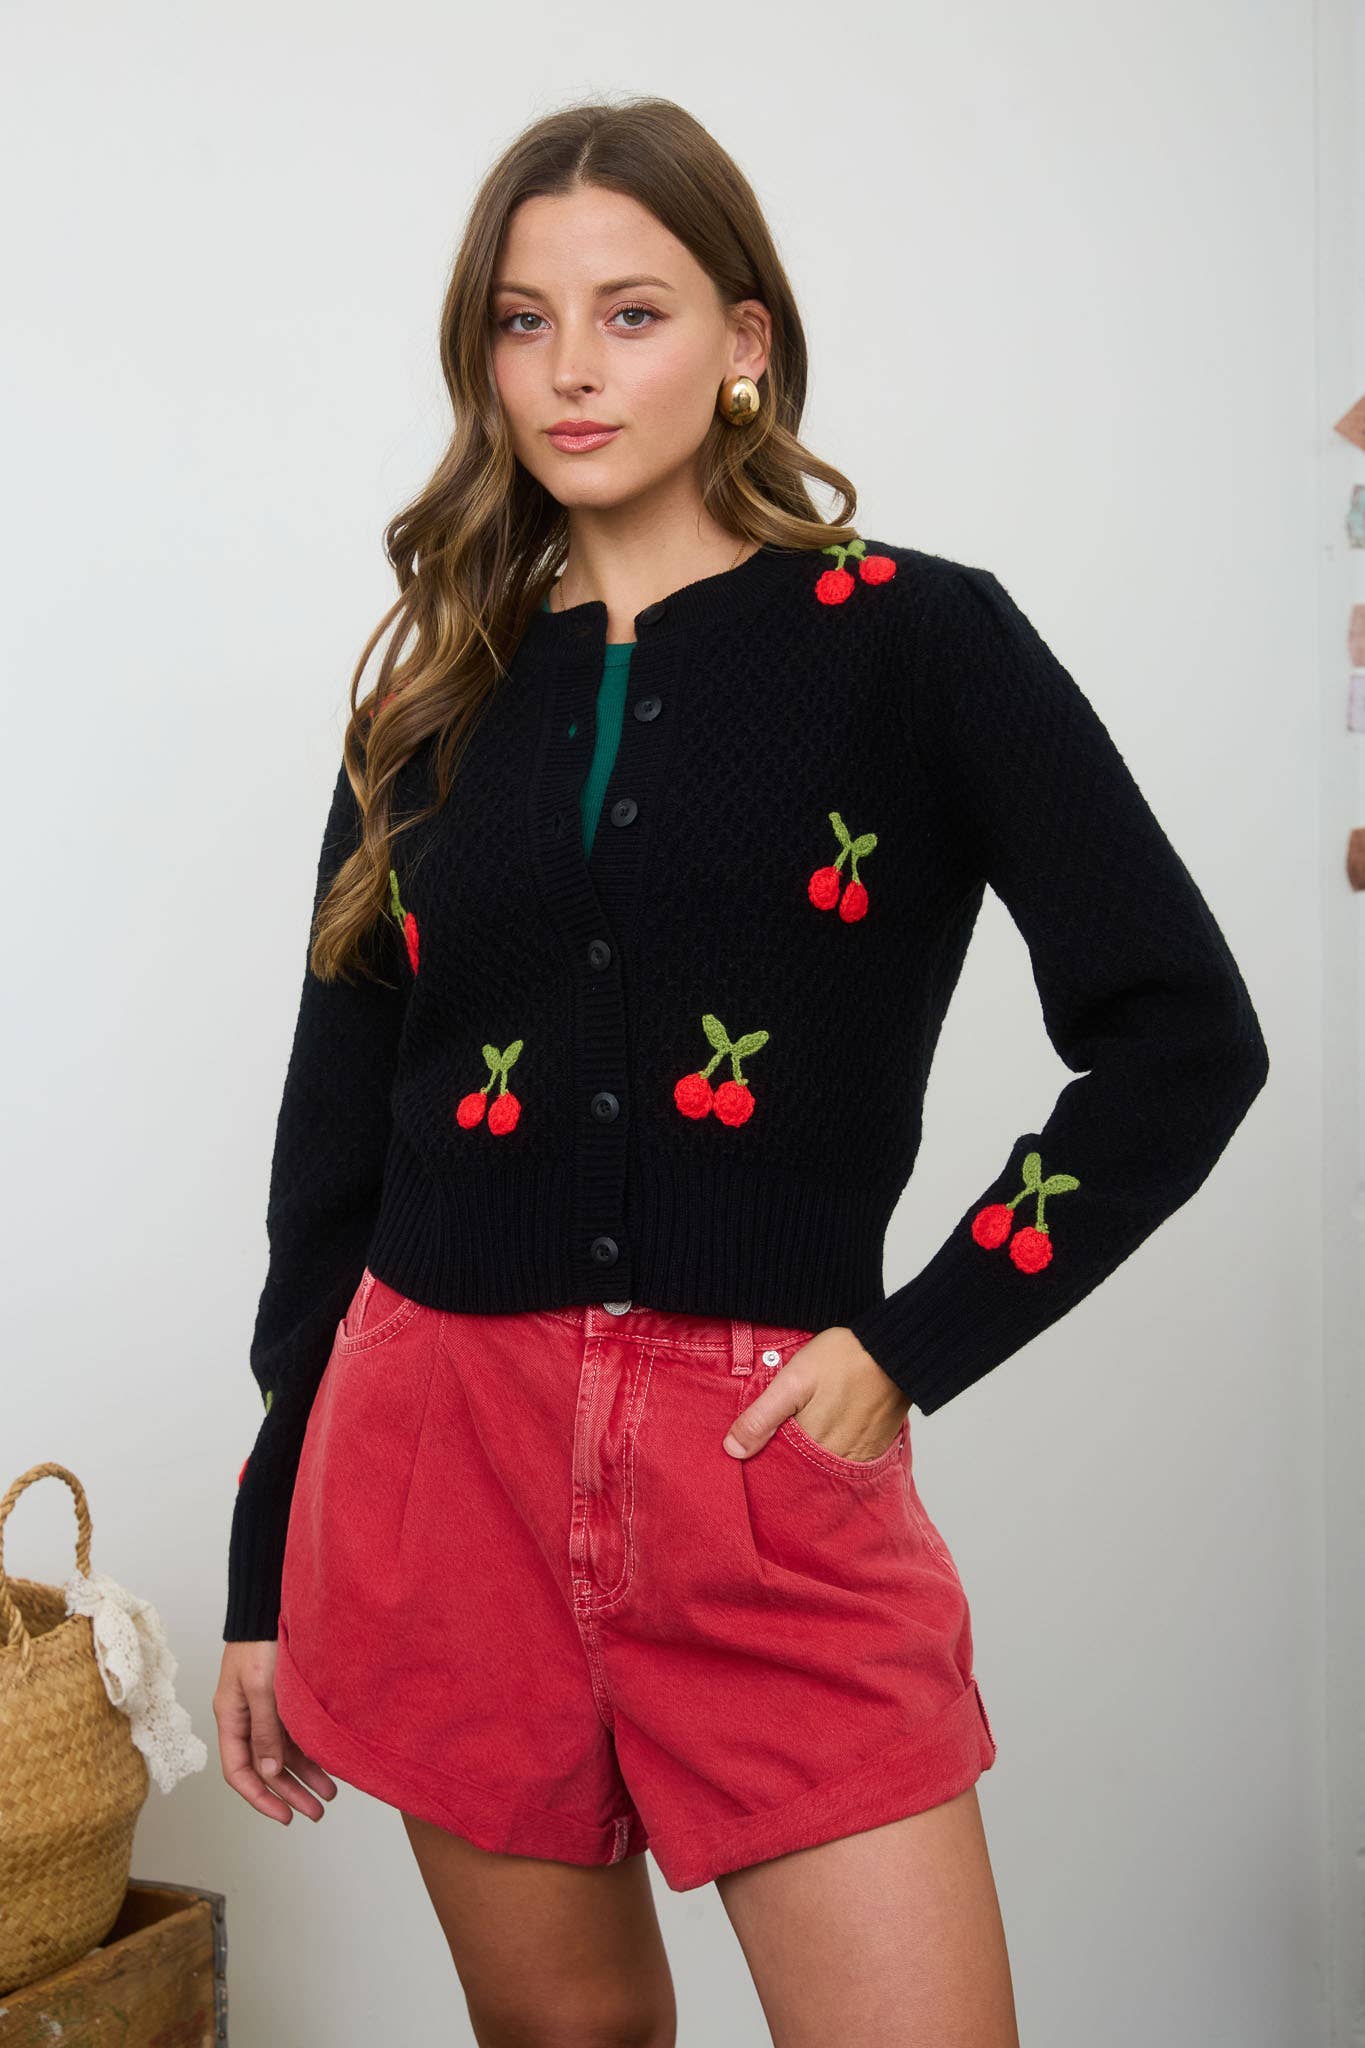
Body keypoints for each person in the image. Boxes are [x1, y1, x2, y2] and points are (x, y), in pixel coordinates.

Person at [212, 94, 1269, 2048]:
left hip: (756, 1459)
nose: (570, 369)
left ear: (743, 341)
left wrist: (911, 1342)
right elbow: (328, 1159)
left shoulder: (916, 643)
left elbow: (1180, 1035)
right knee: (572, 2037)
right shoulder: (426, 704)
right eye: (522, 321)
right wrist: (261, 1561)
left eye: (630, 313)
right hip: (437, 1454)